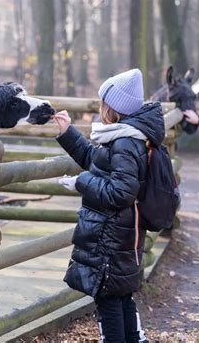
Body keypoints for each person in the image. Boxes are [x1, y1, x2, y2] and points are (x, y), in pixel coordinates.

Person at [54, 69, 164, 342]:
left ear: (113, 107)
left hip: (111, 240)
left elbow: (121, 193)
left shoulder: (126, 142)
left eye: (103, 101)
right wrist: (68, 133)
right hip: (118, 237)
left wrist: (82, 182)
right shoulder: (124, 136)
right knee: (120, 297)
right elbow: (97, 160)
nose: (100, 107)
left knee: (109, 303)